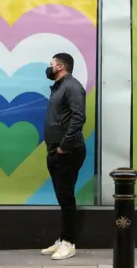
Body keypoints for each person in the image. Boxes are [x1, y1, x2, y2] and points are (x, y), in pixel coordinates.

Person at [41, 53, 87, 260]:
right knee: (62, 196)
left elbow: (78, 117)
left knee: (66, 197)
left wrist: (64, 146)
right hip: (57, 150)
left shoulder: (72, 87)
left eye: (51, 65)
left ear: (60, 66)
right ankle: (63, 238)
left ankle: (69, 243)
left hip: (67, 151)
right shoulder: (60, 87)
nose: (48, 68)